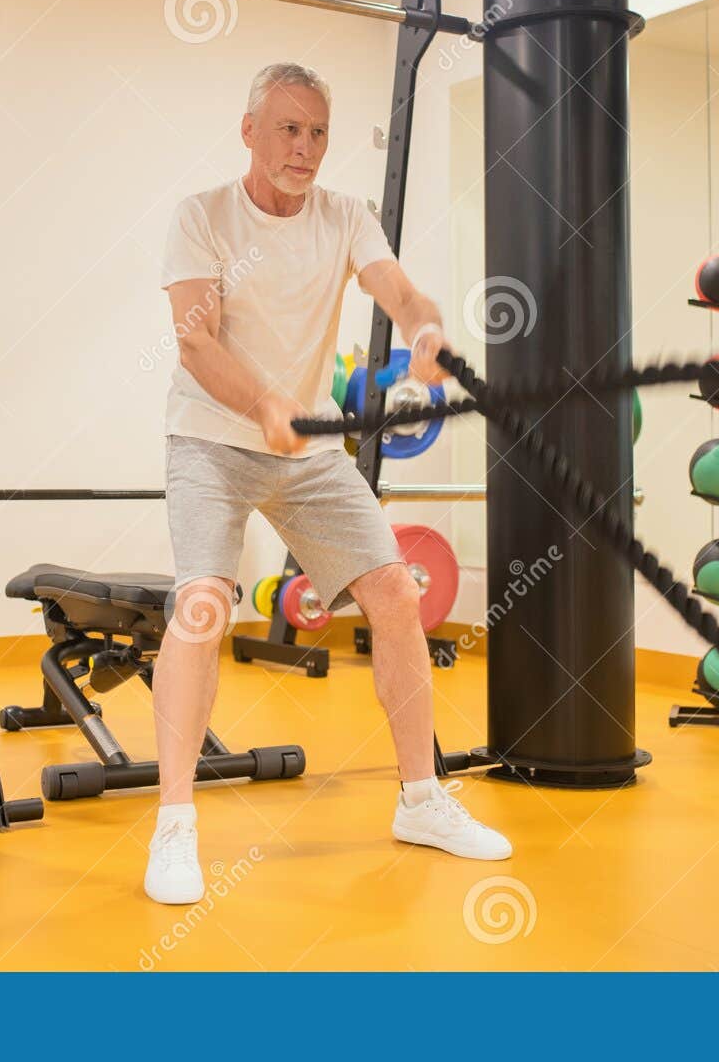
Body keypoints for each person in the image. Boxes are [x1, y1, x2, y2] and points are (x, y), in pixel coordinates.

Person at [147, 61, 511, 904]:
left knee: (393, 589)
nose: (304, 148)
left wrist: (425, 331)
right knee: (203, 603)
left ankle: (421, 797)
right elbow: (195, 343)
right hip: (211, 438)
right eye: (287, 129)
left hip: (306, 452)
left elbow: (404, 291)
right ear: (249, 132)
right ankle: (174, 823)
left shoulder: (345, 216)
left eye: (316, 132)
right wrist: (267, 399)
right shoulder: (201, 216)